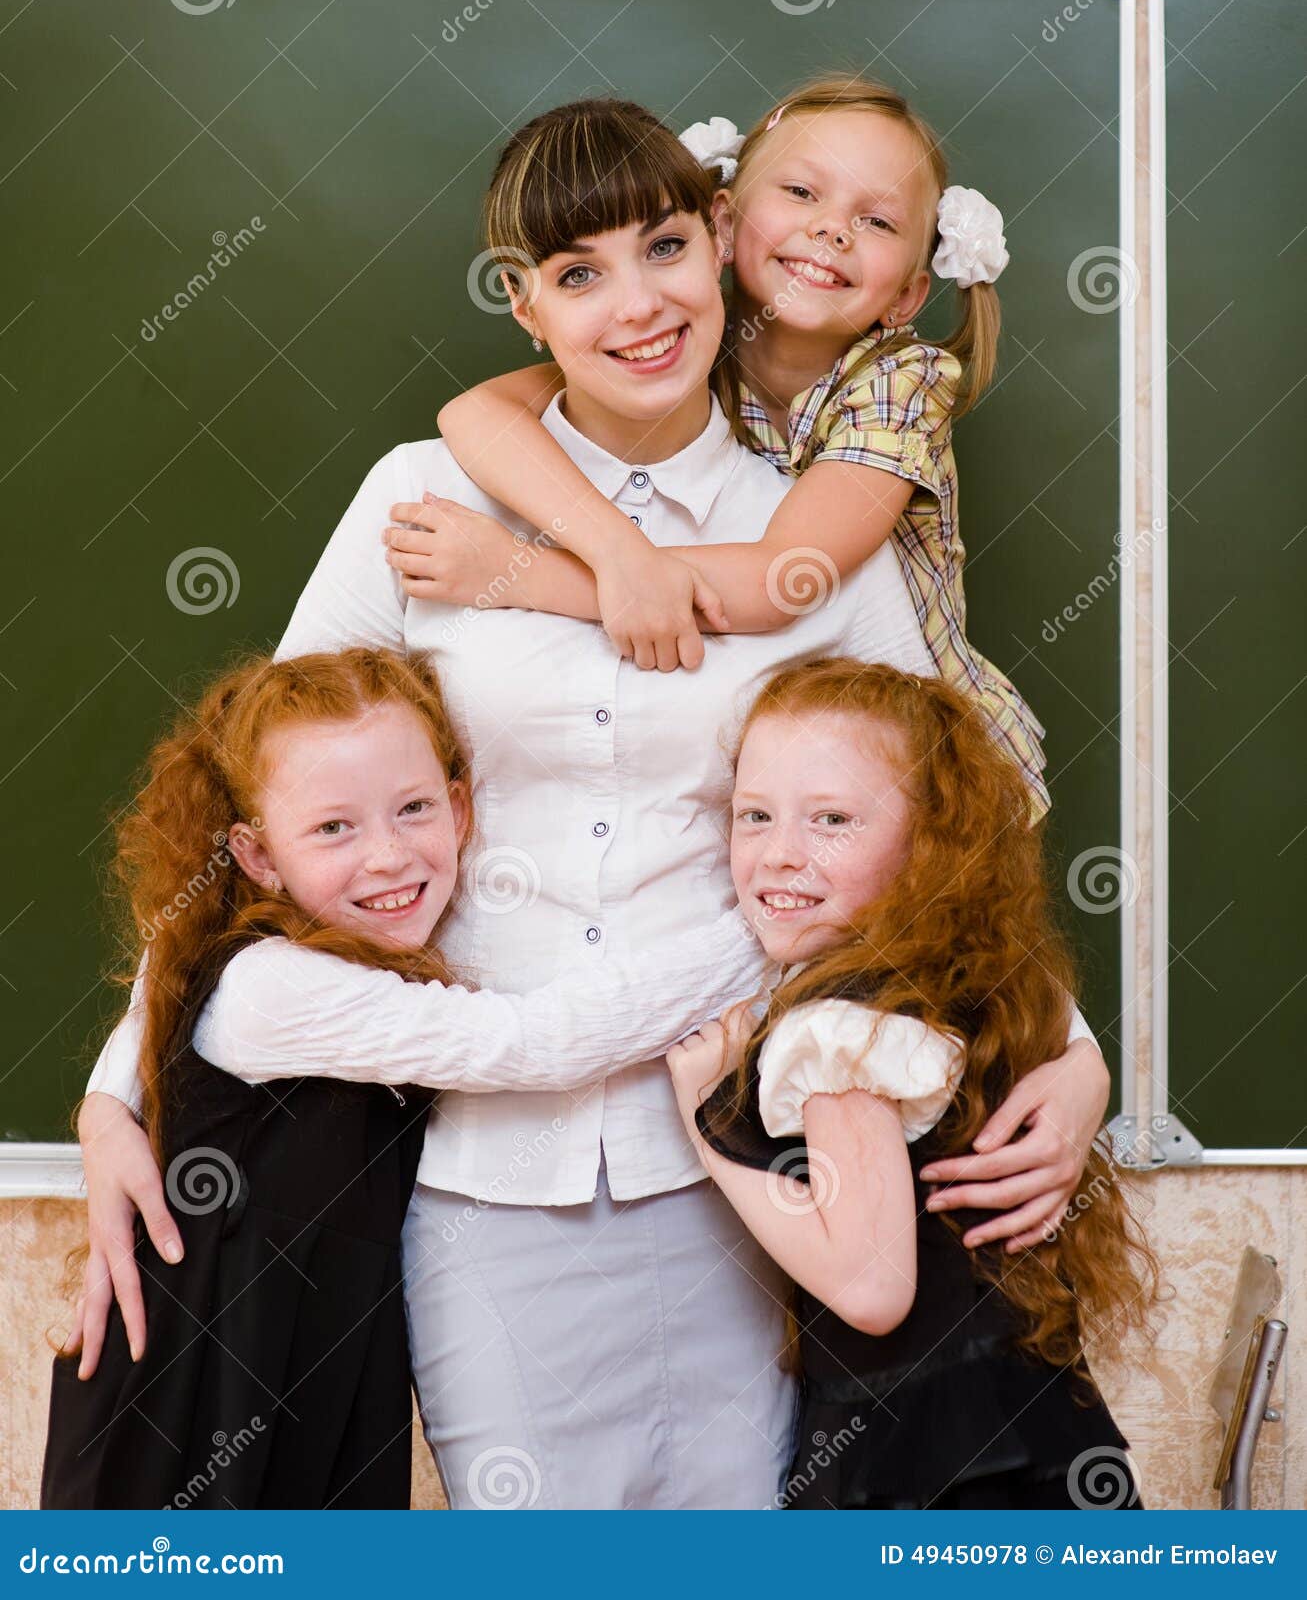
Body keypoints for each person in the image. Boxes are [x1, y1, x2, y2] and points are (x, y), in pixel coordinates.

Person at [76, 96, 1111, 1510]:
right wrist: (120, 1087)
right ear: (525, 304)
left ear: (721, 248)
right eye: (577, 273)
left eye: (664, 250)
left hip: (743, 1164)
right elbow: (251, 803)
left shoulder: (810, 538)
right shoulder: (423, 496)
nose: (637, 305)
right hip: (479, 1173)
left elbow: (948, 834)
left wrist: (1074, 1054)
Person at [44, 646, 767, 1509]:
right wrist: (773, 926)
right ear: (257, 856)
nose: (387, 856)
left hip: (313, 1365)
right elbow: (536, 1042)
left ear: (459, 811)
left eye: (413, 809)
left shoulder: (350, 956)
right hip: (195, 1389)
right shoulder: (272, 986)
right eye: (333, 829)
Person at [424, 74, 1051, 817]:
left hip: (936, 767)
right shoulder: (685, 349)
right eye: (801, 192)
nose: (833, 231)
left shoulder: (900, 385)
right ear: (723, 224)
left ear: (908, 297)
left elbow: (784, 580)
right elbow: (475, 413)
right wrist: (615, 550)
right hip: (801, 771)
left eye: (877, 221)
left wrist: (520, 574)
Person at [666, 658, 1160, 1510]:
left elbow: (870, 1290)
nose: (779, 854)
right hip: (1030, 1430)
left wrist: (709, 1124)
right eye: (754, 816)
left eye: (832, 820)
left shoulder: (837, 1032)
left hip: (922, 1467)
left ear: (926, 841)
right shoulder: (978, 982)